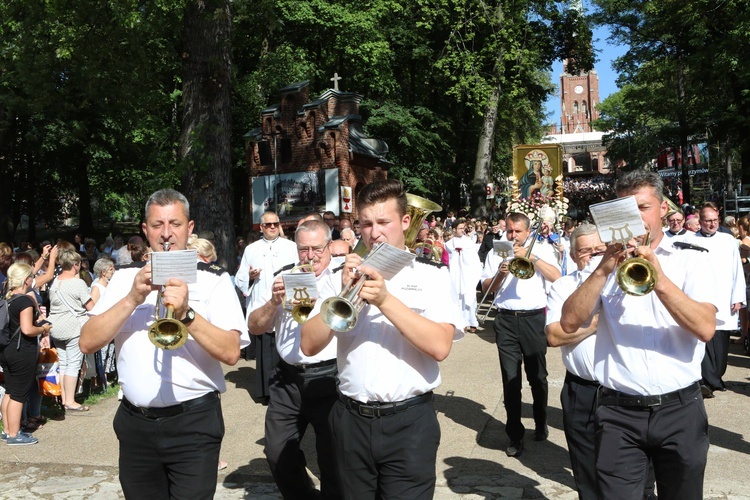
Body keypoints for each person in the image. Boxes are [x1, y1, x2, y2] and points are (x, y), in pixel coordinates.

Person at [560, 170, 720, 499]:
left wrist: (659, 279)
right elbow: (569, 323)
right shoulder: (602, 265)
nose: (636, 219)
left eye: (643, 208)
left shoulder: (691, 259)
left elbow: (705, 327)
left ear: (663, 208)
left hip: (680, 409)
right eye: (626, 211)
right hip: (618, 413)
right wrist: (605, 267)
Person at [80, 188, 248, 499]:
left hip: (194, 423)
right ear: (145, 230)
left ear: (190, 228)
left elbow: (231, 352)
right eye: (157, 225)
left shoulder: (215, 279)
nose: (167, 234)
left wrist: (187, 315)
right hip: (136, 425)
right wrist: (133, 297)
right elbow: (87, 343)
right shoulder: (122, 280)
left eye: (175, 224)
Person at [301, 179, 464, 499]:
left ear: (406, 222)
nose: (374, 232)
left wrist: (386, 300)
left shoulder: (431, 274)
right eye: (366, 223)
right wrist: (345, 291)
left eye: (383, 222)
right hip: (350, 420)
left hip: (409, 423)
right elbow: (308, 344)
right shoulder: (340, 275)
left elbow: (440, 346)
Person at [248, 220, 340, 499]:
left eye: (316, 249)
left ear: (329, 246)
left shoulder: (341, 274)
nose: (310, 256)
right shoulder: (283, 275)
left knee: (334, 457)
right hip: (288, 377)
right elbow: (254, 326)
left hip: (330, 376)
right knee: (277, 451)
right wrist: (274, 302)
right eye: (303, 250)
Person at [481, 212, 561, 457]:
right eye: (510, 231)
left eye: (518, 231)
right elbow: (485, 288)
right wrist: (500, 274)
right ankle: (515, 435)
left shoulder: (543, 249)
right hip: (505, 319)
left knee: (538, 376)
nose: (513, 235)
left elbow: (558, 278)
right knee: (510, 378)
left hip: (534, 319)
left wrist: (532, 257)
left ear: (528, 232)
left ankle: (540, 422)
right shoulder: (496, 251)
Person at [546, 223, 604, 499]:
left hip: (621, 390)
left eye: (599, 249)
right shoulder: (563, 286)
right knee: (585, 467)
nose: (593, 255)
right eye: (585, 251)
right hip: (580, 388)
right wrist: (594, 324)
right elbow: (555, 336)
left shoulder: (625, 282)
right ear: (572, 255)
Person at [236, 210, 298, 402]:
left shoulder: (291, 246)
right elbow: (240, 277)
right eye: (268, 224)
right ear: (261, 227)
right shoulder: (251, 249)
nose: (272, 227)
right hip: (263, 302)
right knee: (266, 348)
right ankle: (266, 391)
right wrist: (250, 276)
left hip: (286, 303)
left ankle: (288, 389)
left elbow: (300, 270)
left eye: (275, 224)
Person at [689, 202, 745, 397]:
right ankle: (706, 382)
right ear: (700, 221)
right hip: (699, 299)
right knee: (702, 342)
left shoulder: (728, 240)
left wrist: (738, 296)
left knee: (720, 347)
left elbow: (737, 270)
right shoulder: (691, 240)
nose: (711, 224)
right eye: (707, 221)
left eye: (715, 220)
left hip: (724, 297)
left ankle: (716, 376)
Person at [0, 263, 51, 445]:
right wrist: (43, 328)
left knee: (10, 392)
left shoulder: (7, 299)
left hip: (6, 350)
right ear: (26, 280)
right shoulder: (25, 301)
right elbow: (28, 329)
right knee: (19, 394)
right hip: (21, 351)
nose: (33, 279)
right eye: (31, 276)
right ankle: (15, 435)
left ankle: (7, 430)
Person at [47, 249, 95, 413]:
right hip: (73, 327)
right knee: (73, 365)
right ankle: (70, 401)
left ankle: (63, 399)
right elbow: (91, 307)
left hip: (56, 327)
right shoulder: (78, 283)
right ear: (76, 265)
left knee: (64, 363)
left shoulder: (54, 282)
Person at [443, 219, 482, 333]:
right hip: (456, 274)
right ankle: (461, 322)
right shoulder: (449, 244)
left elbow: (474, 259)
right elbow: (447, 259)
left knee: (470, 297)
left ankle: (472, 322)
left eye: (463, 228)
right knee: (458, 298)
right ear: (454, 229)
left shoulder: (469, 242)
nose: (463, 230)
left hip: (468, 273)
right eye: (460, 228)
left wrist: (464, 253)